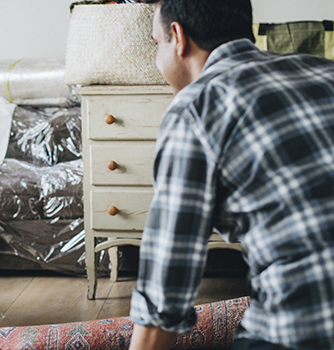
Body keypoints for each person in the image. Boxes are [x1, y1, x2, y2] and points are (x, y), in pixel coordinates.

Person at [128, 1, 334, 349]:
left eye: (155, 44)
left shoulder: (194, 108)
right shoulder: (324, 72)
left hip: (301, 330)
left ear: (177, 38)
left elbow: (164, 294)